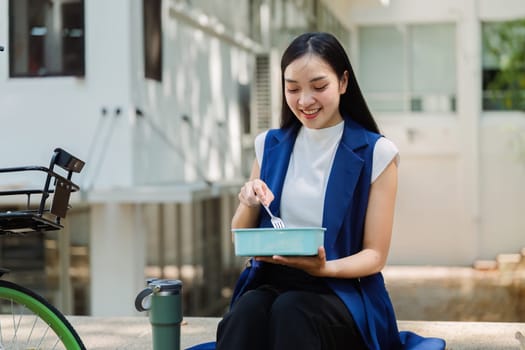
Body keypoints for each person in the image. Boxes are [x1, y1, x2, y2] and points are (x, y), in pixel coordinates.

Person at [214, 32, 446, 350]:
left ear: (343, 82)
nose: (304, 101)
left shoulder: (376, 153)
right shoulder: (269, 145)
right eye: (292, 88)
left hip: (342, 290)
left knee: (291, 311)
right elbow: (242, 237)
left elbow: (375, 256)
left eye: (319, 86)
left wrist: (323, 268)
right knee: (245, 313)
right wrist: (247, 200)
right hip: (273, 282)